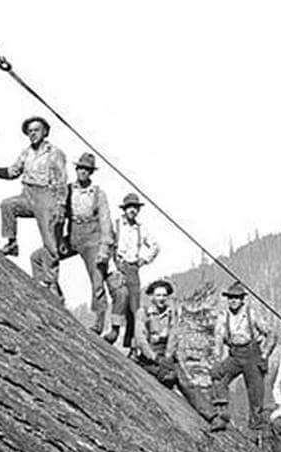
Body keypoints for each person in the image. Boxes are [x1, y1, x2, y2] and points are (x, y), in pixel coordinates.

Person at [0, 116, 68, 294]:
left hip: (47, 196)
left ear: (45, 132)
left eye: (36, 130)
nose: (33, 134)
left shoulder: (55, 153)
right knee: (7, 205)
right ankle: (11, 244)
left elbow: (61, 181)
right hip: (28, 193)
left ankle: (52, 283)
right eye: (30, 131)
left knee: (50, 243)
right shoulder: (26, 153)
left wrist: (60, 205)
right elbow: (12, 172)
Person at [133, 279, 214, 421]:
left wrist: (168, 357)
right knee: (167, 377)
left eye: (164, 295)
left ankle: (211, 415)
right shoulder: (143, 312)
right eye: (158, 295)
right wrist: (155, 358)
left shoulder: (171, 313)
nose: (161, 299)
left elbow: (173, 336)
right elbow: (141, 340)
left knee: (185, 381)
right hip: (147, 358)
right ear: (151, 297)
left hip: (165, 354)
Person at [208, 281, 276, 432]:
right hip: (235, 355)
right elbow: (218, 339)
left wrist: (265, 355)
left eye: (236, 298)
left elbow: (271, 333)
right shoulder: (224, 316)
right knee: (218, 376)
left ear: (242, 300)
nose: (233, 301)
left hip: (252, 355)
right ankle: (222, 415)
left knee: (256, 391)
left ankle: (256, 424)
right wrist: (217, 361)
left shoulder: (251, 314)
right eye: (230, 298)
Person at [59, 153, 114, 333]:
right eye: (81, 168)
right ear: (76, 170)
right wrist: (60, 239)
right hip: (74, 234)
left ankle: (98, 323)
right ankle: (56, 296)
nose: (83, 172)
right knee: (41, 257)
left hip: (93, 238)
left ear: (91, 173)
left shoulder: (98, 193)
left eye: (87, 170)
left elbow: (105, 222)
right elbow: (59, 215)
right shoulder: (68, 190)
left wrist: (104, 249)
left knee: (97, 279)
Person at [107, 192, 158, 347]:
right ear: (124, 209)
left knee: (135, 308)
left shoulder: (141, 229)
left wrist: (144, 260)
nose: (133, 210)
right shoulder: (116, 225)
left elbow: (155, 246)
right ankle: (114, 330)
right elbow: (107, 245)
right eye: (130, 207)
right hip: (118, 267)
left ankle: (131, 343)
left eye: (135, 208)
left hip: (133, 269)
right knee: (121, 296)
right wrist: (112, 268)